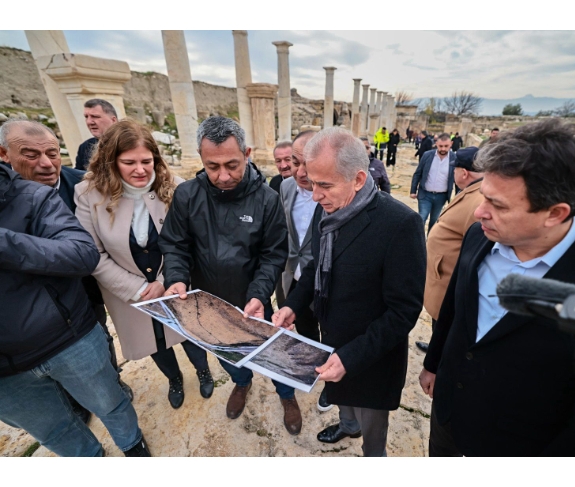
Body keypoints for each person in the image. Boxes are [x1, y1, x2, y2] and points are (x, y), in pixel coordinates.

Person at [419, 119, 575, 456]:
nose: (479, 212)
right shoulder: (479, 235)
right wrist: (434, 362)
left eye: (499, 205)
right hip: (449, 419)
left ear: (555, 213)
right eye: (484, 196)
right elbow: (454, 307)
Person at [273, 127, 426, 457]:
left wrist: (352, 356)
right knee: (343, 400)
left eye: (324, 185)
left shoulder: (400, 225)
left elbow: (404, 311)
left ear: (358, 179)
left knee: (373, 432)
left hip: (371, 356)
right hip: (331, 342)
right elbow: (315, 265)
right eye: (312, 183)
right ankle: (347, 425)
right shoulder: (325, 207)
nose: (314, 195)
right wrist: (295, 305)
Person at [158, 116, 302, 435]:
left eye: (232, 165)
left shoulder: (267, 199)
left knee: (273, 351)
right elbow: (175, 244)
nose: (223, 176)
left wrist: (257, 293)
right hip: (208, 300)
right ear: (201, 158)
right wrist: (177, 278)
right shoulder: (186, 196)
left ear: (247, 153)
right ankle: (241, 383)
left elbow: (273, 253)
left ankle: (287, 395)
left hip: (254, 300)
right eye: (213, 166)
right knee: (227, 352)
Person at [0, 164, 149, 457]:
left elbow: (82, 254)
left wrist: (5, 244)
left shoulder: (33, 196)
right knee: (54, 431)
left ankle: (133, 446)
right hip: (5, 374)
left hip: (68, 338)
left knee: (110, 403)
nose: (44, 163)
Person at [75, 120, 214, 410]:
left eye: (146, 161)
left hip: (175, 281)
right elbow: (92, 253)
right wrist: (137, 288)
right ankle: (174, 379)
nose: (140, 170)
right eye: (129, 162)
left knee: (188, 333)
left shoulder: (174, 186)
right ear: (110, 161)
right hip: (127, 290)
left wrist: (167, 279)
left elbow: (192, 240)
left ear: (156, 159)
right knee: (153, 340)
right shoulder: (88, 194)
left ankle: (203, 371)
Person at [0, 119, 132, 420]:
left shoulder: (86, 187)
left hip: (87, 291)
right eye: (31, 155)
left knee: (100, 341)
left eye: (53, 153)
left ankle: (111, 385)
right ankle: (75, 404)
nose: (47, 164)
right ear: (4, 154)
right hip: (26, 313)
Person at [277, 130, 332, 412]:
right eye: (294, 162)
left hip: (328, 283)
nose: (299, 171)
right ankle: (313, 367)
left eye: (306, 163)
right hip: (293, 279)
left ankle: (333, 388)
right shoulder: (285, 188)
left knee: (333, 333)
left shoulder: (336, 193)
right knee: (306, 328)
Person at [415, 147, 483, 353]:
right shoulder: (470, 192)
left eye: (454, 170)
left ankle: (441, 355)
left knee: (448, 332)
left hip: (452, 283)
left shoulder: (478, 201)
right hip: (444, 282)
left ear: (464, 173)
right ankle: (437, 347)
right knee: (441, 328)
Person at [410, 133, 456, 233]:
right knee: (422, 217)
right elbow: (418, 173)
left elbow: (457, 179)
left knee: (434, 221)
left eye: (446, 146)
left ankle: (430, 242)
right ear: (436, 143)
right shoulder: (427, 155)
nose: (443, 149)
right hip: (425, 194)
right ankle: (418, 242)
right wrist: (413, 190)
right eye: (440, 146)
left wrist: (457, 197)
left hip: (442, 196)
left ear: (451, 144)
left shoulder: (455, 158)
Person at [75, 99, 118, 170]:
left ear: (113, 120)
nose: (89, 122)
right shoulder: (85, 147)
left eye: (95, 116)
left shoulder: (129, 142)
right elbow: (78, 176)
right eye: (86, 117)